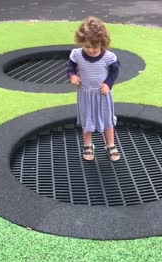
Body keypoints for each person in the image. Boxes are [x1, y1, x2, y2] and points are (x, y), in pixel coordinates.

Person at [67, 16, 120, 161]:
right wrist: (72, 76)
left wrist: (108, 84)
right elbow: (70, 69)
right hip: (85, 94)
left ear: (102, 43)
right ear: (81, 41)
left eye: (95, 47)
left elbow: (115, 71)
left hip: (103, 94)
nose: (90, 50)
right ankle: (88, 144)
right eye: (87, 46)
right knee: (87, 120)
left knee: (108, 120)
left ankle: (110, 144)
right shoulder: (76, 54)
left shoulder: (108, 57)